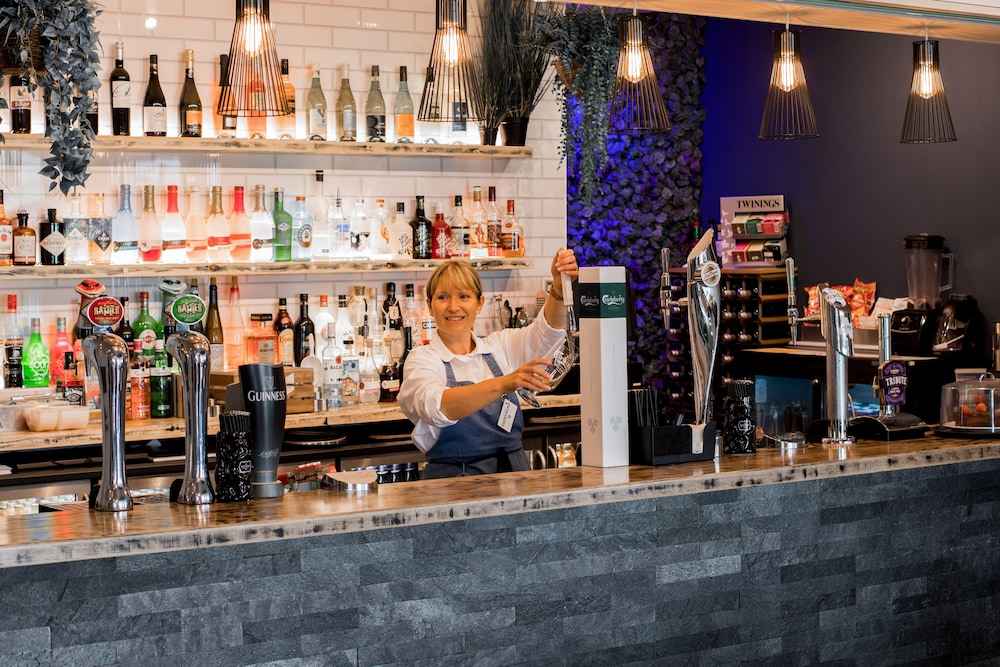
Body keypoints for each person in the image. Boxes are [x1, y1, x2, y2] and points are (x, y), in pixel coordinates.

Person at [398, 247, 579, 478]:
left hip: (514, 479)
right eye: (443, 297)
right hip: (452, 485)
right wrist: (503, 383)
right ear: (430, 305)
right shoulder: (422, 359)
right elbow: (436, 407)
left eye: (464, 296)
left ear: (479, 303)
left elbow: (544, 335)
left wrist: (558, 291)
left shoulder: (499, 346)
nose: (453, 306)